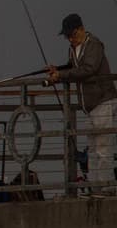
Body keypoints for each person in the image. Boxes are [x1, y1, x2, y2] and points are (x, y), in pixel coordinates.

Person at [46, 13, 117, 196]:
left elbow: (88, 69)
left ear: (80, 29)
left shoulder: (94, 45)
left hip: (103, 101)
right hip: (89, 106)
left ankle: (107, 188)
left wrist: (61, 76)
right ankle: (96, 188)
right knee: (93, 150)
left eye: (72, 34)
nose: (70, 38)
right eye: (67, 36)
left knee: (103, 148)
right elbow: (73, 67)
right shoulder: (73, 49)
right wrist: (58, 70)